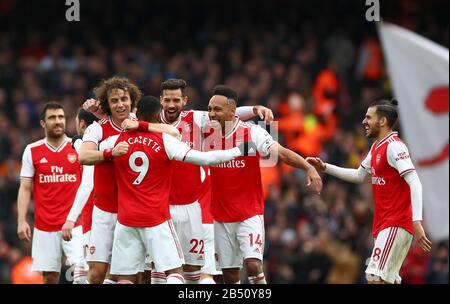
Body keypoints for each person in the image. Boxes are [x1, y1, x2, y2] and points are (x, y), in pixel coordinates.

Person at [136, 79, 274, 284]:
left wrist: (254, 109)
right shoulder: (148, 121)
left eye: (176, 100)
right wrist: (98, 112)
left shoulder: (195, 119)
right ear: (161, 100)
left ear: (184, 101)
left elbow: (228, 113)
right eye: (167, 100)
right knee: (153, 270)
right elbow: (118, 117)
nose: (171, 105)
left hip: (193, 207)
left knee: (194, 272)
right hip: (158, 205)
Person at [108, 96, 246, 284]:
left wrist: (107, 152)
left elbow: (87, 153)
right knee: (175, 272)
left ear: (136, 114)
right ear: (159, 116)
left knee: (125, 278)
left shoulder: (116, 141)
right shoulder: (165, 140)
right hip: (156, 218)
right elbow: (206, 159)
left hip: (125, 220)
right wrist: (240, 150)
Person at [205, 85, 323, 284]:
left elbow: (282, 152)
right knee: (229, 275)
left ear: (232, 111)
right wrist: (253, 108)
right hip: (220, 216)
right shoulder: (205, 133)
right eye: (209, 109)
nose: (211, 114)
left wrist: (307, 167)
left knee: (253, 265)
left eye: (217, 110)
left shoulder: (252, 133)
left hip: (248, 213)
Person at [306, 99, 432, 284]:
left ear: (382, 121)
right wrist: (325, 167)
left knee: (374, 277)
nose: (364, 121)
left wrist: (417, 221)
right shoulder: (376, 148)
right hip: (384, 225)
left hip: (395, 223)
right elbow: (358, 176)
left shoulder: (394, 146)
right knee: (385, 280)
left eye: (368, 117)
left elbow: (414, 181)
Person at [78, 77, 178, 284]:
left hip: (136, 211)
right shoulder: (97, 128)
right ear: (107, 104)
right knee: (97, 273)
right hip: (105, 210)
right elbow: (84, 156)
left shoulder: (139, 121)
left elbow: (172, 132)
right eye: (114, 101)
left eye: (124, 99)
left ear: (132, 101)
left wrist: (142, 125)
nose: (120, 104)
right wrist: (110, 153)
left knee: (141, 274)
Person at [17, 102, 84, 284]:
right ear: (42, 123)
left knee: (82, 275)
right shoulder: (32, 150)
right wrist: (22, 220)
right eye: (52, 118)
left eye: (61, 117)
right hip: (45, 226)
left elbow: (89, 184)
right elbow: (24, 187)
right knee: (49, 277)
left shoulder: (77, 147)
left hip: (76, 224)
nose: (58, 122)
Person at [61, 108, 99, 284]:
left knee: (90, 275)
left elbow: (88, 184)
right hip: (109, 215)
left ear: (82, 124)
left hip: (96, 218)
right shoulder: (107, 142)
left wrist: (70, 218)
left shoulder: (87, 148)